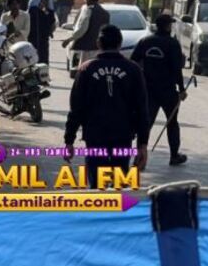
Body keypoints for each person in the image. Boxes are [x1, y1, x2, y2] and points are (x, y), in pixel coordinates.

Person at [63, 25, 150, 189]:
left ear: (98, 43)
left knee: (97, 185)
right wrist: (142, 144)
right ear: (120, 43)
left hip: (95, 136)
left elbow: (76, 108)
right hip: (123, 136)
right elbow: (142, 110)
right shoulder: (133, 70)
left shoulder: (86, 69)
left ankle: (100, 202)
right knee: (120, 183)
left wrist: (69, 141)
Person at [131, 14, 188, 166]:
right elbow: (177, 69)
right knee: (172, 122)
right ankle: (174, 156)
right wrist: (182, 89)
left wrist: (139, 80)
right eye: (171, 24)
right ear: (168, 26)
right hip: (168, 91)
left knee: (145, 124)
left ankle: (139, 158)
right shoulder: (172, 43)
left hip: (148, 90)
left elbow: (133, 62)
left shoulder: (145, 41)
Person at [62, 0, 110, 66]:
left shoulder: (88, 11)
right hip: (100, 48)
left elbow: (82, 29)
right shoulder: (105, 13)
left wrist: (69, 39)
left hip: (88, 48)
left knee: (85, 68)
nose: (85, 1)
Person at [27, 0, 56, 64]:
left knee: (33, 47)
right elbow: (50, 15)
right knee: (44, 49)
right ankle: (43, 64)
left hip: (33, 29)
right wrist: (51, 30)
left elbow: (28, 14)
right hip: (44, 28)